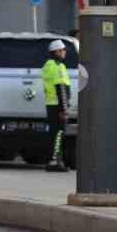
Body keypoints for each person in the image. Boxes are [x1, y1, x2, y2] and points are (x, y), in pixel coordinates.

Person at [43, 40, 73, 173]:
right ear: (56, 52)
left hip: (51, 104)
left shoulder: (48, 65)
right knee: (59, 134)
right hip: (57, 105)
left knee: (54, 133)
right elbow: (60, 87)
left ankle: (53, 160)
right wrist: (63, 109)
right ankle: (55, 161)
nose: (64, 52)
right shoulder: (57, 66)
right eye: (63, 50)